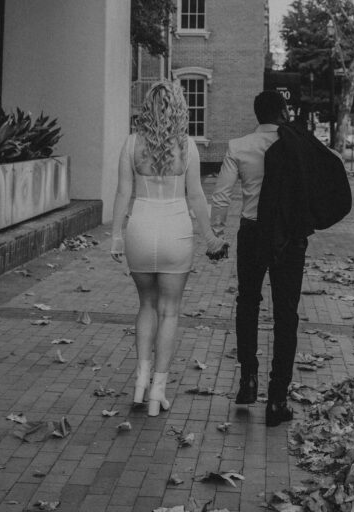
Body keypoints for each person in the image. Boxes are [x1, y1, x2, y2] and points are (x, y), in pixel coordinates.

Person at [110, 80, 226, 416]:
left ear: (147, 107)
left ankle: (139, 385)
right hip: (176, 230)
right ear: (179, 106)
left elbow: (122, 193)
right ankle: (157, 394)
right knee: (170, 311)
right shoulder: (187, 147)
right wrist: (210, 238)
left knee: (146, 305)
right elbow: (195, 196)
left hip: (140, 230)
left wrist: (116, 235)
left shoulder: (131, 144)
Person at [210, 90, 307, 427]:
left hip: (251, 232)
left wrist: (217, 235)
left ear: (256, 114)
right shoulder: (297, 144)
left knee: (248, 302)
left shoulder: (238, 147)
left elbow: (221, 196)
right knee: (286, 314)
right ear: (282, 111)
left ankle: (248, 380)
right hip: (288, 238)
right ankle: (277, 398)